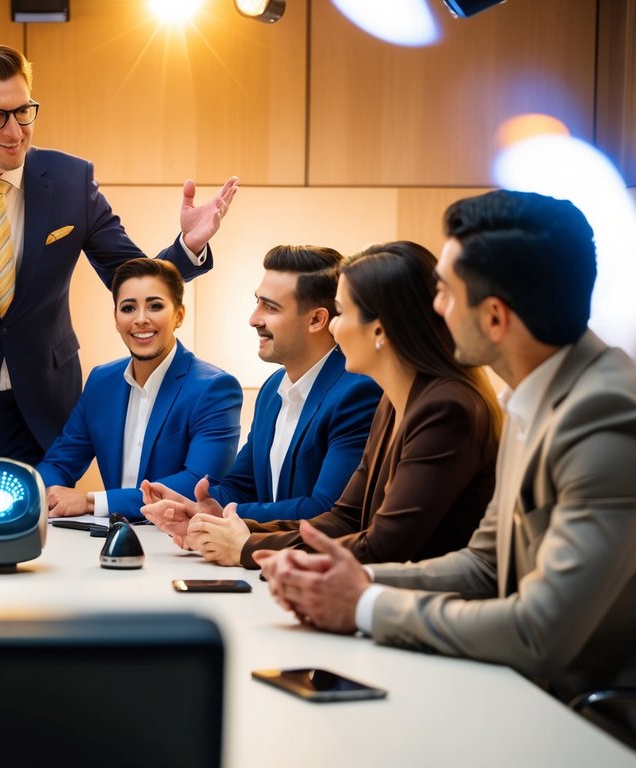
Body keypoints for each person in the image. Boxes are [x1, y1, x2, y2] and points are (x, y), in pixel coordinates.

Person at [256, 191, 636, 714]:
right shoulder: (535, 398)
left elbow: (539, 632)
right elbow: (484, 566)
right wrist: (354, 579)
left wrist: (365, 605)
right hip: (525, 695)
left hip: (586, 721)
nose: (434, 307)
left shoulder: (604, 416)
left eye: (448, 293)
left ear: (496, 318)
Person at [0, 44, 239, 509]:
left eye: (24, 112)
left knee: (47, 545)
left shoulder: (69, 180)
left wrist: (189, 247)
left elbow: (128, 275)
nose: (16, 131)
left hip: (44, 410)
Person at [149, 241, 501, 568]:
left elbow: (381, 546)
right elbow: (344, 518)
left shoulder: (443, 409)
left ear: (380, 331)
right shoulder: (396, 402)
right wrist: (219, 525)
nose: (334, 327)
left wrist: (245, 548)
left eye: (342, 313)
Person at [141, 245, 381, 526]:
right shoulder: (271, 390)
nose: (254, 319)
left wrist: (223, 515)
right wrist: (189, 504)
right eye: (258, 302)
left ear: (316, 320)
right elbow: (242, 487)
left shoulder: (358, 393)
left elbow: (327, 509)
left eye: (270, 307)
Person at [34, 258, 242, 519]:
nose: (141, 319)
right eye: (129, 308)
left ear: (179, 315)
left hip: (180, 544)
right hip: (107, 540)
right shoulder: (101, 381)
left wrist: (90, 501)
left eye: (155, 306)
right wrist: (37, 493)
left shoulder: (215, 388)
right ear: (116, 319)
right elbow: (59, 463)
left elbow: (199, 485)